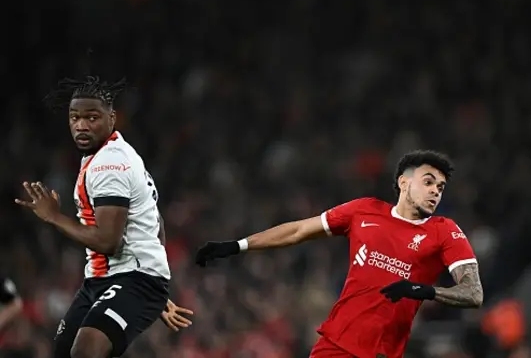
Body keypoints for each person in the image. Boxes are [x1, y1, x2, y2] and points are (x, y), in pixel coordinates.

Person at [196, 149, 484, 358]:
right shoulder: (364, 210)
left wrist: (424, 290)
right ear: (403, 182)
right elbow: (298, 231)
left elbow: (474, 293)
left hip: (381, 352)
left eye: (441, 187)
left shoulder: (444, 231)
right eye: (429, 182)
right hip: (334, 345)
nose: (436, 192)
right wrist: (238, 245)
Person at [15, 77, 194, 358]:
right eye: (75, 117)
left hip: (131, 279)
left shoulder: (109, 164)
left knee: (86, 351)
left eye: (92, 117)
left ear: (111, 119)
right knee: (63, 352)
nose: (81, 125)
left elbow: (108, 241)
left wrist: (53, 217)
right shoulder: (107, 153)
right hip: (105, 280)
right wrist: (154, 281)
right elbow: (154, 219)